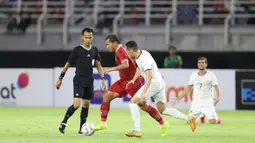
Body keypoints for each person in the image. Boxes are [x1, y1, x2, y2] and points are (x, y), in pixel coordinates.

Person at [93, 35, 169, 137]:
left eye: (108, 44)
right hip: (123, 81)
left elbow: (126, 65)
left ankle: (163, 123)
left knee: (143, 105)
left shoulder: (120, 51)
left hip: (133, 82)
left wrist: (109, 69)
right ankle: (103, 124)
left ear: (115, 42)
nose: (107, 47)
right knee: (107, 96)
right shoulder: (121, 50)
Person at [124, 41, 196, 138]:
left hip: (154, 83)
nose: (127, 55)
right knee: (163, 109)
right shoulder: (142, 54)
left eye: (127, 52)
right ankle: (188, 118)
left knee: (133, 102)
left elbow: (149, 78)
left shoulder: (144, 58)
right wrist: (133, 80)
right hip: (160, 82)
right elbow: (139, 69)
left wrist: (144, 94)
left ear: (131, 51)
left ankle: (137, 130)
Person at [56, 28, 106, 134]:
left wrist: (103, 79)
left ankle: (81, 129)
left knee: (86, 105)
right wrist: (60, 78)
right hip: (79, 79)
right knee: (76, 104)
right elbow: (68, 64)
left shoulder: (94, 50)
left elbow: (98, 65)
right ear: (82, 37)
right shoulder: (77, 50)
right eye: (86, 37)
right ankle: (63, 122)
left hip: (89, 80)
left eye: (90, 37)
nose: (88, 39)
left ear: (93, 37)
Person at [173, 57, 221, 124]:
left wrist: (218, 97)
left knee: (213, 122)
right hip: (196, 103)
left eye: (202, 62)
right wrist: (178, 98)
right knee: (189, 122)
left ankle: (216, 118)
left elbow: (216, 87)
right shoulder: (193, 75)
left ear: (206, 64)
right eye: (199, 62)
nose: (200, 64)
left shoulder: (210, 75)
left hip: (207, 102)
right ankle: (202, 115)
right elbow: (188, 88)